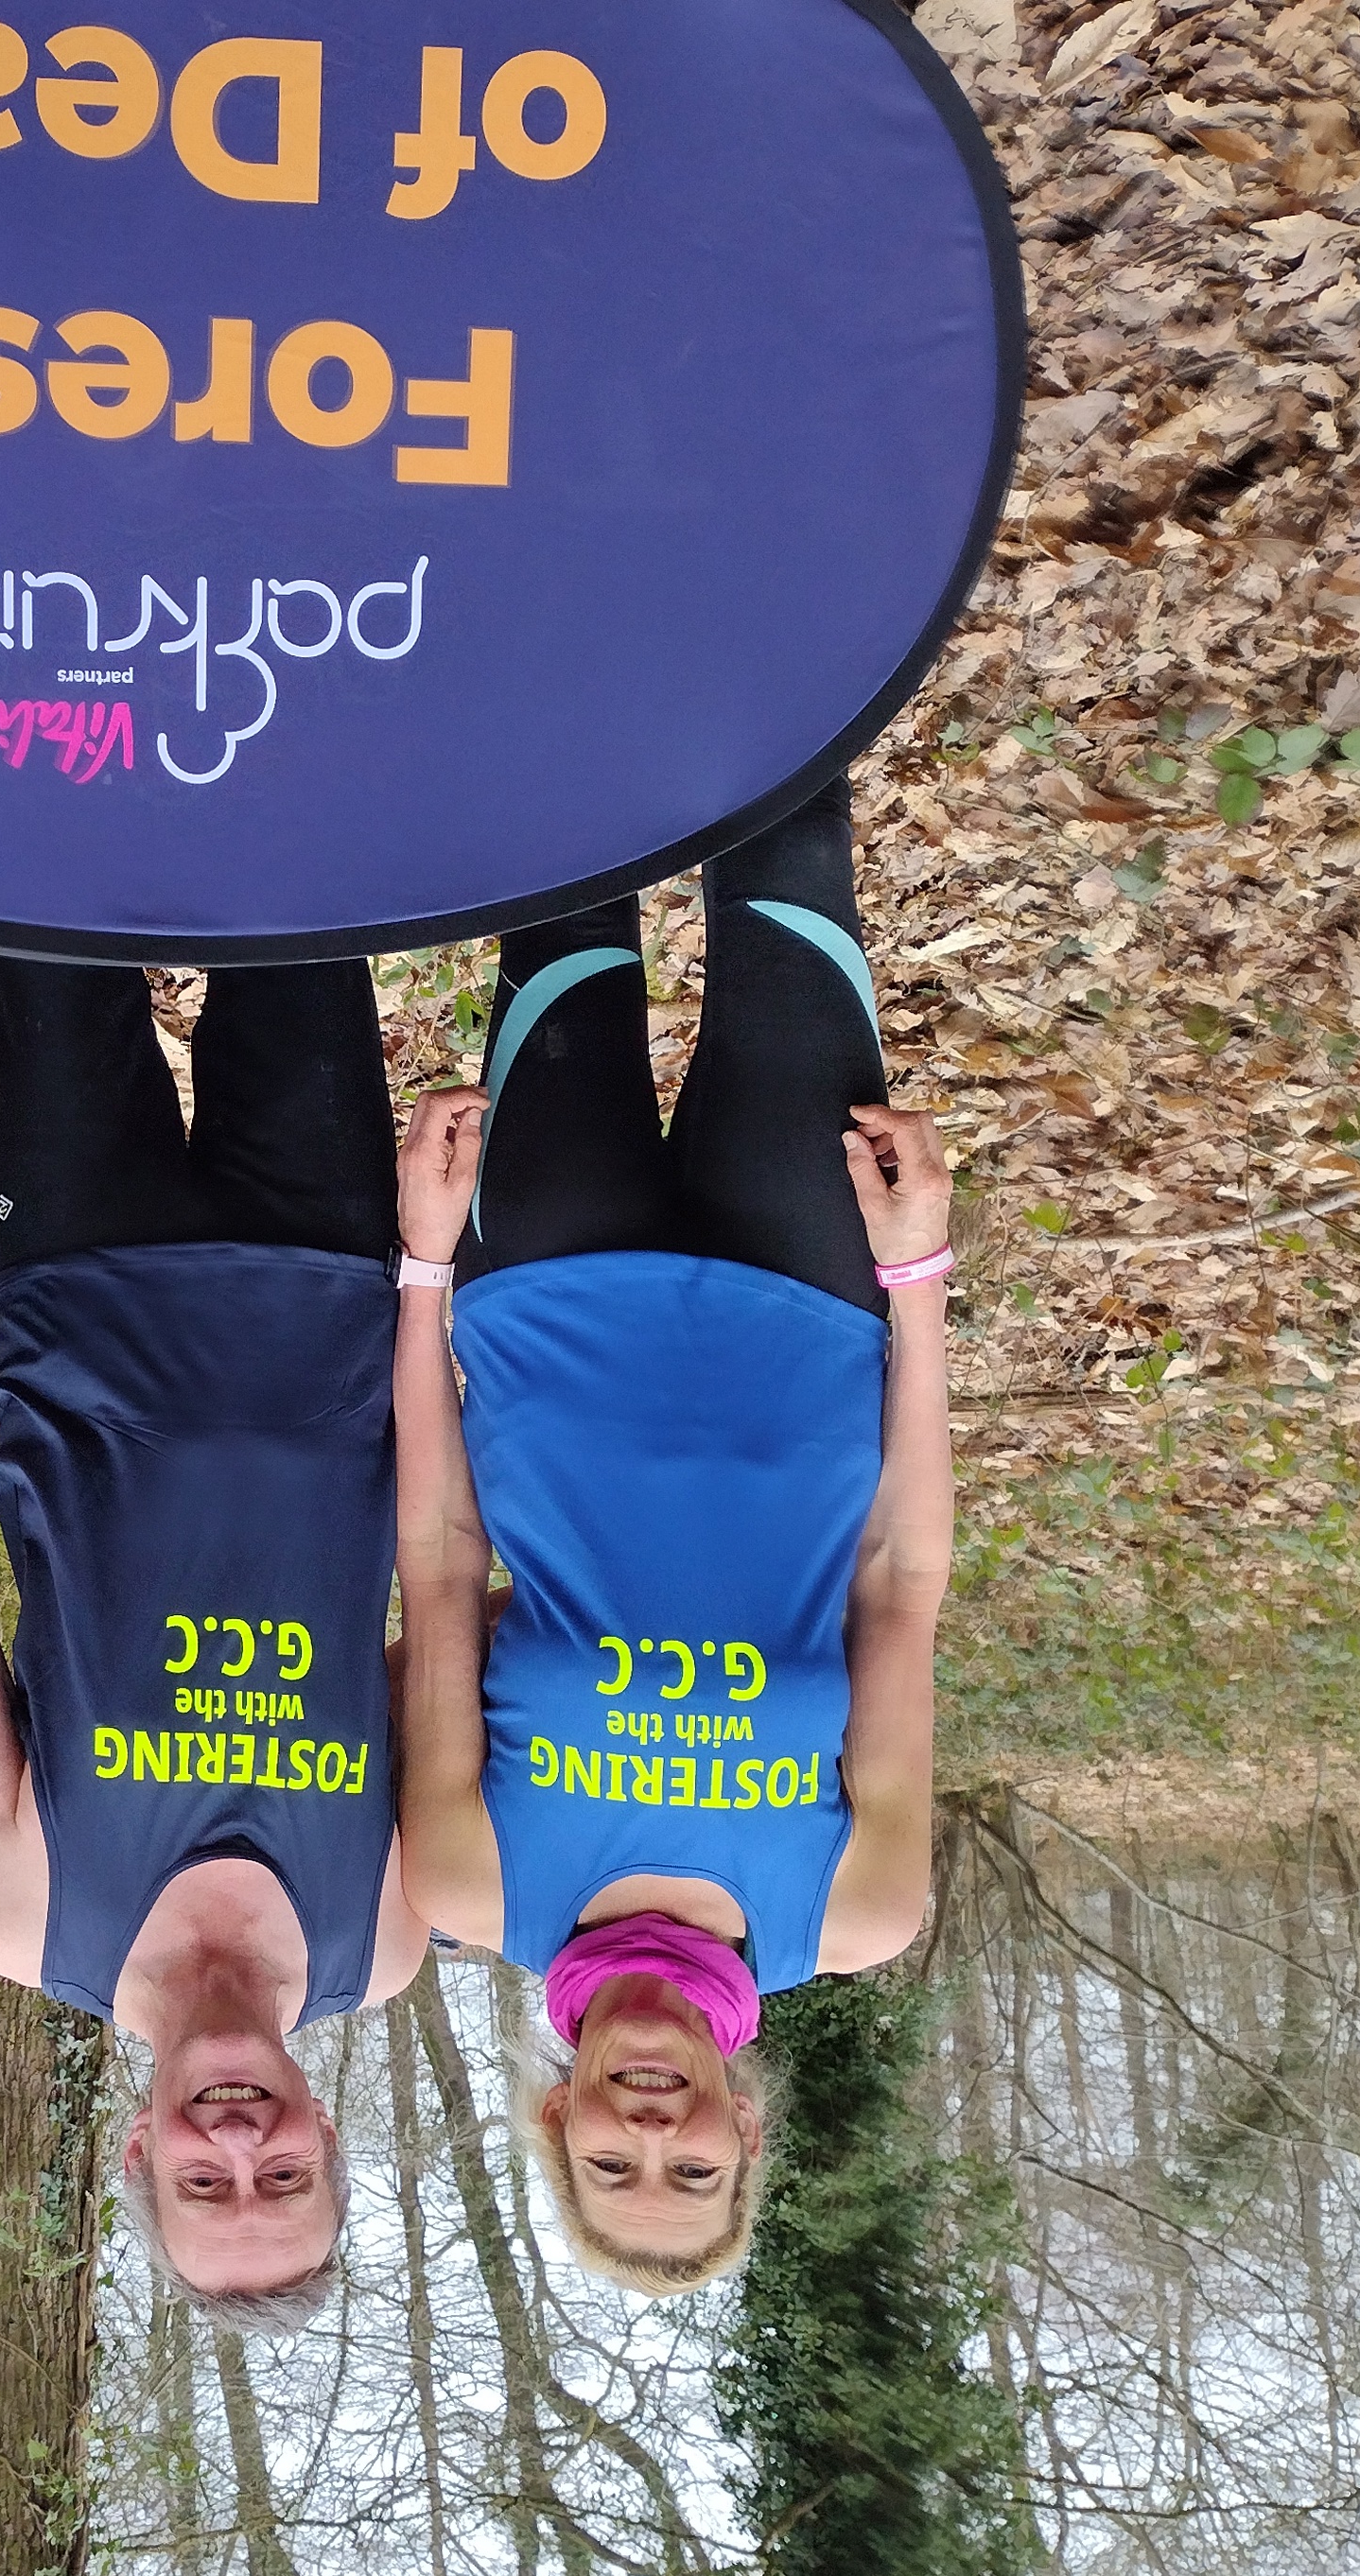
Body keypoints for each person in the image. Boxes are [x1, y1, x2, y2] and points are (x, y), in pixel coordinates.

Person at [0, 958, 435, 2337]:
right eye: (284, 2177)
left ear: (137, 2153)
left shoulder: (31, 1923)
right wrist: (428, 1286)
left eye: (202, 2186)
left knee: (54, 910)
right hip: (323, 1303)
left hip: (80, 1302)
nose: (238, 2146)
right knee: (296, 895)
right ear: (326, 2137)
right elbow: (433, 1624)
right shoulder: (387, 1939)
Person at [394, 775, 954, 2295]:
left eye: (611, 2167)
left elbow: (439, 1560)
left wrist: (424, 1271)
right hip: (813, 1310)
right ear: (747, 2132)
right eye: (693, 2173)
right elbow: (900, 1583)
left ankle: (560, 623)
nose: (652, 2137)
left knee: (563, 858)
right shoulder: (851, 1909)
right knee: (791, 852)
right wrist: (919, 1283)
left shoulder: (472, 1884)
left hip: (544, 1298)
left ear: (558, 2120)